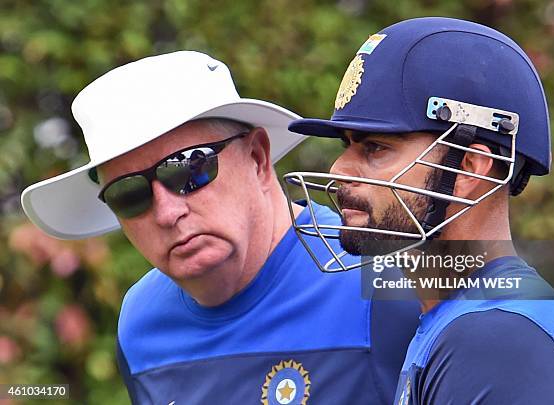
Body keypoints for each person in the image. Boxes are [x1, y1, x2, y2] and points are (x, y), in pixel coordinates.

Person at [21, 50, 421, 404]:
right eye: (129, 195)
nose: (167, 212)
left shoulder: (390, 273)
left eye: (190, 168)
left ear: (259, 158)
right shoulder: (140, 323)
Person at [285, 17, 554, 404]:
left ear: (468, 168)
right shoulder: (458, 321)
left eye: (375, 147)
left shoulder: (495, 339)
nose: (339, 171)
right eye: (347, 145)